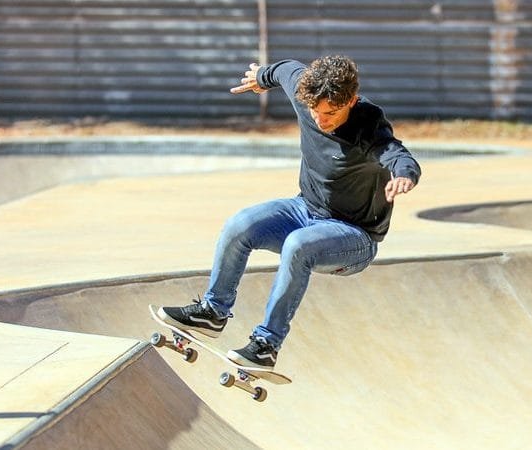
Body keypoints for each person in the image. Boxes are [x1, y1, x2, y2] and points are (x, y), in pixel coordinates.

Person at [159, 55, 421, 369]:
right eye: (314, 111)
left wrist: (405, 175)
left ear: (351, 101)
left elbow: (397, 154)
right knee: (240, 225)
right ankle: (213, 312)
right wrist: (261, 77)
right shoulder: (303, 88)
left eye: (331, 113)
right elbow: (284, 70)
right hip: (304, 208)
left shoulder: (369, 125)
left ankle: (266, 345)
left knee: (298, 245)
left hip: (354, 236)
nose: (321, 120)